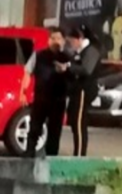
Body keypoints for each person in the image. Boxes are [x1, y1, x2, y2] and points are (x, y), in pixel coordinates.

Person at [23, 27, 70, 157]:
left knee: (55, 132)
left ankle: (51, 157)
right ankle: (29, 154)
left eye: (58, 39)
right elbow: (27, 72)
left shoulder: (67, 58)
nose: (55, 41)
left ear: (63, 41)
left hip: (58, 100)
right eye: (53, 38)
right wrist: (23, 92)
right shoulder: (38, 55)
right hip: (41, 99)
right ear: (48, 40)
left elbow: (74, 78)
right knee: (34, 129)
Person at [61, 26, 101, 157]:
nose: (70, 44)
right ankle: (77, 152)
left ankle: (79, 155)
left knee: (79, 123)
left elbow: (86, 69)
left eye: (71, 41)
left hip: (84, 90)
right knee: (74, 121)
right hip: (76, 90)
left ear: (79, 39)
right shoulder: (79, 52)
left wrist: (69, 67)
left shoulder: (91, 51)